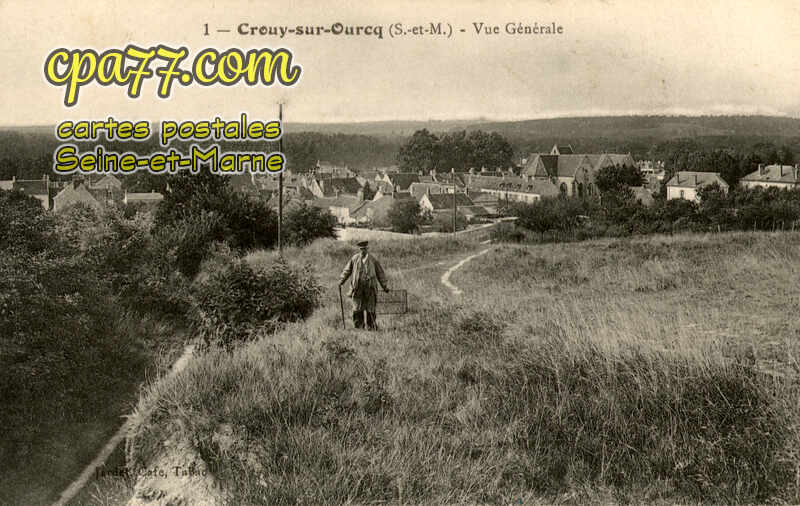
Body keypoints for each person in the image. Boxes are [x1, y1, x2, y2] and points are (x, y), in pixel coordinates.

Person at [338, 240, 390, 330]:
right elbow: (347, 271)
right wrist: (341, 281)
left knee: (370, 309)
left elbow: (380, 273)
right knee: (357, 308)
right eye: (361, 249)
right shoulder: (354, 259)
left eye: (364, 249)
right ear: (359, 249)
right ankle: (359, 327)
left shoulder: (373, 260)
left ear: (367, 248)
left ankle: (371, 327)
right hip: (357, 289)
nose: (363, 251)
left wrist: (384, 286)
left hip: (370, 288)